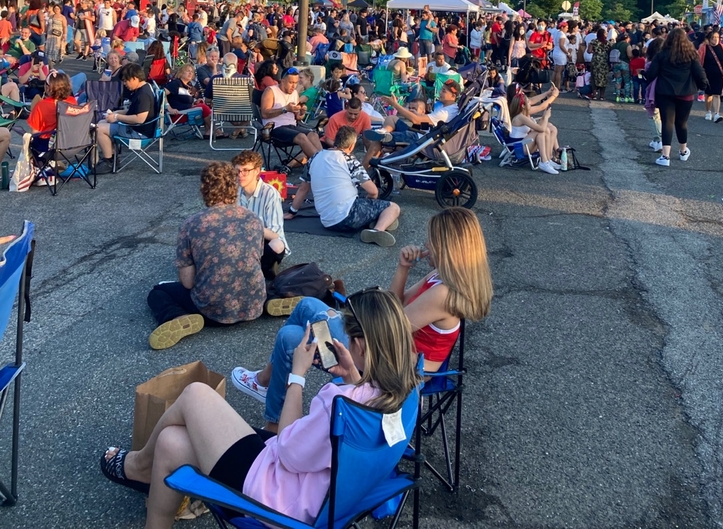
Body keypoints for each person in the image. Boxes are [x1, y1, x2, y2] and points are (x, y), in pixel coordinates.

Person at [100, 291, 420, 529]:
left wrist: (297, 376)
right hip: (324, 499)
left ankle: (139, 464)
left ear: (361, 346)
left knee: (196, 393)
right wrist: (353, 376)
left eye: (348, 339)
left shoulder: (340, 404)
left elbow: (286, 449)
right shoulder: (405, 392)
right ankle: (145, 476)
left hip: (274, 500)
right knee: (171, 443)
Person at [231, 208, 492, 434]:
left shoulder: (444, 294)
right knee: (307, 305)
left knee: (292, 338)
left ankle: (275, 421)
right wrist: (403, 267)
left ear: (449, 247)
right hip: (390, 349)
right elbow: (394, 305)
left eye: (432, 240)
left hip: (393, 369)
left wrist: (341, 321)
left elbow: (388, 328)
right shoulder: (440, 277)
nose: (426, 244)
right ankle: (267, 382)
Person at [145, 162, 267, 350]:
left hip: (212, 310)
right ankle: (272, 300)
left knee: (158, 293)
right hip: (253, 304)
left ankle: (177, 315)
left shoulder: (192, 224)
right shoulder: (253, 219)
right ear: (234, 187)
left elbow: (187, 283)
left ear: (204, 189)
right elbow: (257, 258)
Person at [287, 125, 400, 245]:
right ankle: (377, 230)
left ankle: (374, 219)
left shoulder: (314, 157)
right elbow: (373, 191)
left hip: (327, 222)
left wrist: (292, 212)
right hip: (349, 216)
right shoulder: (349, 160)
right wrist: (370, 202)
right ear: (351, 145)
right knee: (393, 207)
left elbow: (303, 189)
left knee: (370, 209)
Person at [646, 27, 709, 166]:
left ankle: (665, 156)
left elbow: (651, 74)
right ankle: (683, 151)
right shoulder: (691, 54)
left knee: (667, 123)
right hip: (686, 93)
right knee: (681, 123)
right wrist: (703, 85)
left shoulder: (662, 54)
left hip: (665, 92)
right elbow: (699, 72)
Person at [232, 150, 290, 277]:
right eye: (237, 171)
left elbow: (275, 234)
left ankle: (258, 268)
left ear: (257, 171)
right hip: (242, 240)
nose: (240, 175)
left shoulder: (270, 194)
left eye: (246, 170)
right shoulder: (234, 192)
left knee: (277, 245)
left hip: (264, 240)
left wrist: (249, 226)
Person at [96, 63, 157, 167]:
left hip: (138, 133)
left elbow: (140, 119)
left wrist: (116, 117)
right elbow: (134, 110)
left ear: (134, 78)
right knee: (102, 122)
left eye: (126, 80)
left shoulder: (143, 95)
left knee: (98, 129)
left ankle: (109, 161)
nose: (124, 83)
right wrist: (116, 113)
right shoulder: (145, 87)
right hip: (138, 129)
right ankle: (112, 156)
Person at [260, 67, 323, 169]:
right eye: (291, 82)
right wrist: (285, 109)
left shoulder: (294, 93)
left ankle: (322, 160)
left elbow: (297, 117)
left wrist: (301, 112)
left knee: (313, 134)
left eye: (296, 82)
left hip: (291, 126)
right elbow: (264, 113)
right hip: (275, 128)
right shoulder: (271, 91)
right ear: (282, 81)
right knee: (301, 136)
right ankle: (320, 165)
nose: (294, 86)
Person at [506, 84, 562, 174]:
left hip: (522, 144)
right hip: (517, 149)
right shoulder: (520, 117)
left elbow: (540, 128)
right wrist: (545, 117)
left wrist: (547, 93)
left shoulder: (522, 113)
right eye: (528, 103)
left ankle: (547, 159)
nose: (530, 103)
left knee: (546, 130)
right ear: (523, 106)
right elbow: (541, 129)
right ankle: (544, 162)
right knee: (540, 132)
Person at [165, 63, 213, 136]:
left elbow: (184, 101)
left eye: (192, 71)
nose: (190, 73)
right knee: (203, 108)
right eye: (188, 71)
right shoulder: (176, 83)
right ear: (181, 72)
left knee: (206, 105)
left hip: (187, 112)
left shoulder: (188, 86)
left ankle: (208, 131)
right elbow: (162, 93)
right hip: (179, 114)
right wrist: (169, 108)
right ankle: (216, 131)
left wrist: (195, 102)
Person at [698, 30, 723, 124]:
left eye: (717, 37)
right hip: (707, 74)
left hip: (720, 74)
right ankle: (708, 111)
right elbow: (699, 60)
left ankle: (716, 113)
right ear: (709, 39)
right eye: (713, 38)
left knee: (717, 94)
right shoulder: (704, 48)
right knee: (708, 94)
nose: (715, 40)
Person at [585, 27, 611, 100]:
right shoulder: (607, 43)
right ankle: (602, 96)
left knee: (594, 78)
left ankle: (594, 95)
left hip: (595, 61)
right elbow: (610, 51)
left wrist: (595, 52)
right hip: (604, 61)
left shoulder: (594, 42)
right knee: (604, 78)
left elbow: (589, 51)